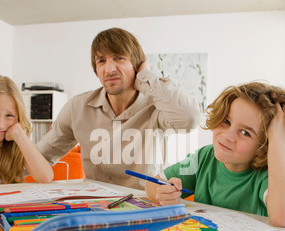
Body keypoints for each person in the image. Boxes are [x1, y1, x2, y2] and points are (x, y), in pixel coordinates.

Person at [36, 27, 200, 190]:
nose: (109, 69)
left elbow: (190, 118)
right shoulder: (77, 107)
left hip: (144, 204)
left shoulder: (157, 106)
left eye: (119, 58)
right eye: (101, 61)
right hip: (95, 205)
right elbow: (40, 156)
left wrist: (145, 76)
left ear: (136, 65)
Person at [145, 82, 285, 227]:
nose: (227, 136)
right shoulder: (205, 157)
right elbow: (152, 184)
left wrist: (277, 137)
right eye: (226, 121)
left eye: (245, 133)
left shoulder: (267, 176)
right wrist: (162, 192)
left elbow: (283, 217)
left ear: (264, 146)